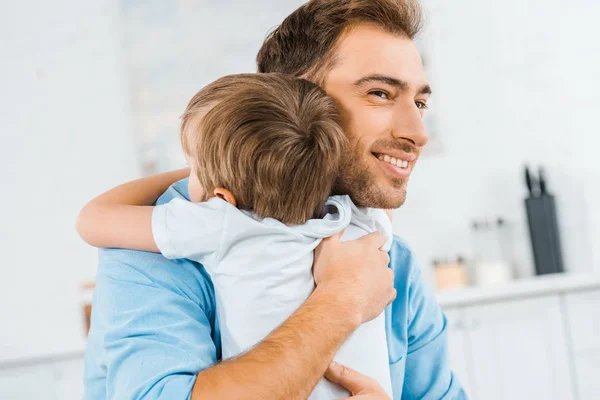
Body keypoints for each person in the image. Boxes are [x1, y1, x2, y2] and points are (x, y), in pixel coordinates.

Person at [83, 0, 468, 399]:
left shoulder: (387, 258)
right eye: (380, 93)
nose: (418, 132)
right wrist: (341, 301)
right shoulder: (153, 255)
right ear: (295, 94)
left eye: (420, 103)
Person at [77, 72, 396, 398]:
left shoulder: (221, 223)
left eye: (193, 167)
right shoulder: (357, 220)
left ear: (223, 197)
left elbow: (92, 220)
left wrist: (215, 170)